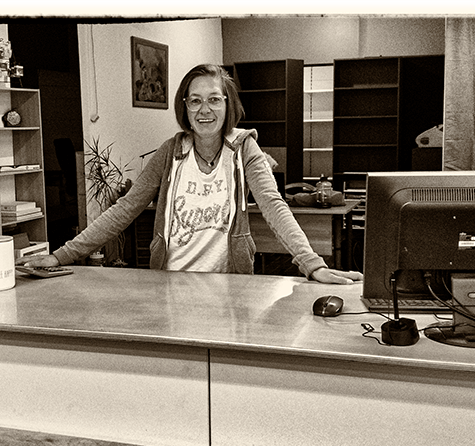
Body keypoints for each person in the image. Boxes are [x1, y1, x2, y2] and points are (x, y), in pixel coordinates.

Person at [18, 63, 362, 285]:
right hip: (170, 283)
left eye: (214, 99)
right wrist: (60, 255)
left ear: (228, 104)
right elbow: (124, 209)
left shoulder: (244, 149)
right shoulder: (170, 151)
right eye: (195, 100)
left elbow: (274, 206)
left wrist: (312, 264)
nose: (204, 109)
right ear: (184, 107)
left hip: (230, 284)